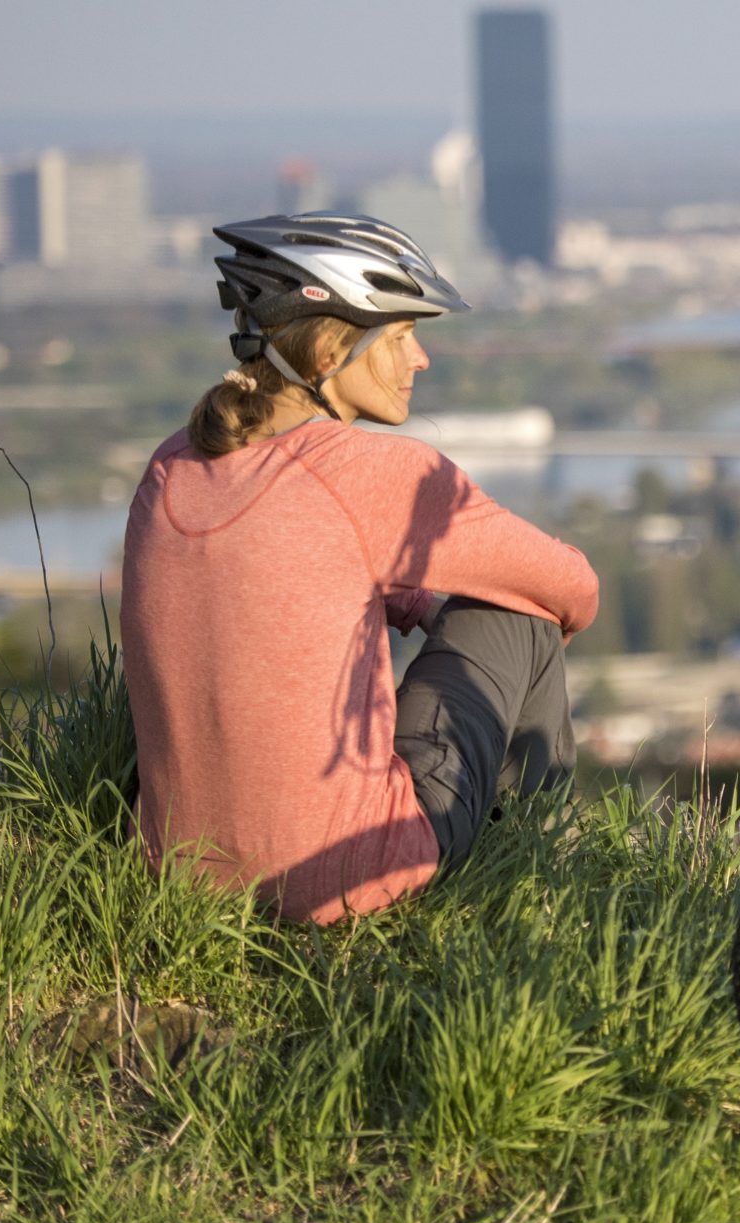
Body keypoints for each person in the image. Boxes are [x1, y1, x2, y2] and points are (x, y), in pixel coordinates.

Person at [121, 213, 598, 924]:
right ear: (325, 352)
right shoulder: (380, 474)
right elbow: (572, 586)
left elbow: (295, 561)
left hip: (175, 876)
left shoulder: (171, 465)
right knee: (518, 613)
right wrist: (458, 609)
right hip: (341, 876)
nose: (420, 359)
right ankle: (525, 875)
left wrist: (410, 598)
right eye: (403, 336)